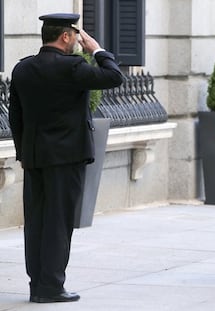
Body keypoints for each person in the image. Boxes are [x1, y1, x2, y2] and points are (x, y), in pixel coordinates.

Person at [8, 13, 123, 303]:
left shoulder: (23, 69)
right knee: (59, 222)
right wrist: (96, 50)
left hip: (35, 157)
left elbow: (15, 117)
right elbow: (114, 76)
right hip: (67, 158)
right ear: (66, 37)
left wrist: (24, 152)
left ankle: (38, 283)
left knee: (36, 222)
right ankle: (52, 286)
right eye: (76, 35)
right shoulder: (73, 67)